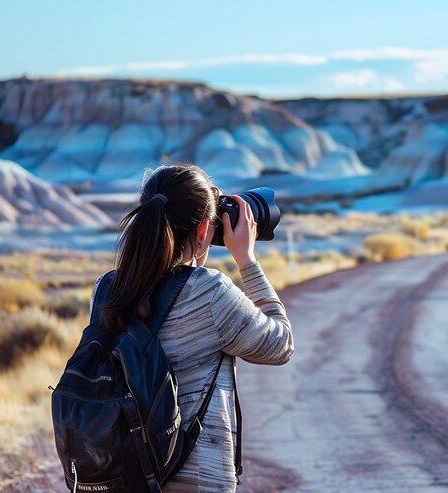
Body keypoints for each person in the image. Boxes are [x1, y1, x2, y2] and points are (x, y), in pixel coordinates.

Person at [88, 163, 294, 492]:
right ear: (203, 230)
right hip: (196, 479)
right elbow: (280, 345)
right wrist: (247, 260)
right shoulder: (209, 291)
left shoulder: (105, 290)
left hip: (119, 473)